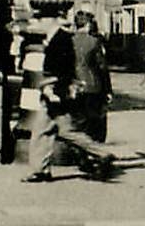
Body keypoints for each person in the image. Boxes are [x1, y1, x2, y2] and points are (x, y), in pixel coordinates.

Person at [25, 11, 118, 182]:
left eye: (40, 19)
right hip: (71, 89)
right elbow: (100, 67)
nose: (37, 23)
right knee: (52, 130)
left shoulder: (62, 39)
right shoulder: (67, 38)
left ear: (50, 20)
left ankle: (101, 153)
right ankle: (41, 169)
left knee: (61, 131)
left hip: (56, 92)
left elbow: (64, 68)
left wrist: (51, 88)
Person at [71, 11, 113, 143]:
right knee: (95, 119)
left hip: (74, 85)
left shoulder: (68, 41)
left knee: (77, 119)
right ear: (88, 25)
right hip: (93, 84)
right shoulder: (94, 42)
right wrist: (108, 89)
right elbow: (102, 66)